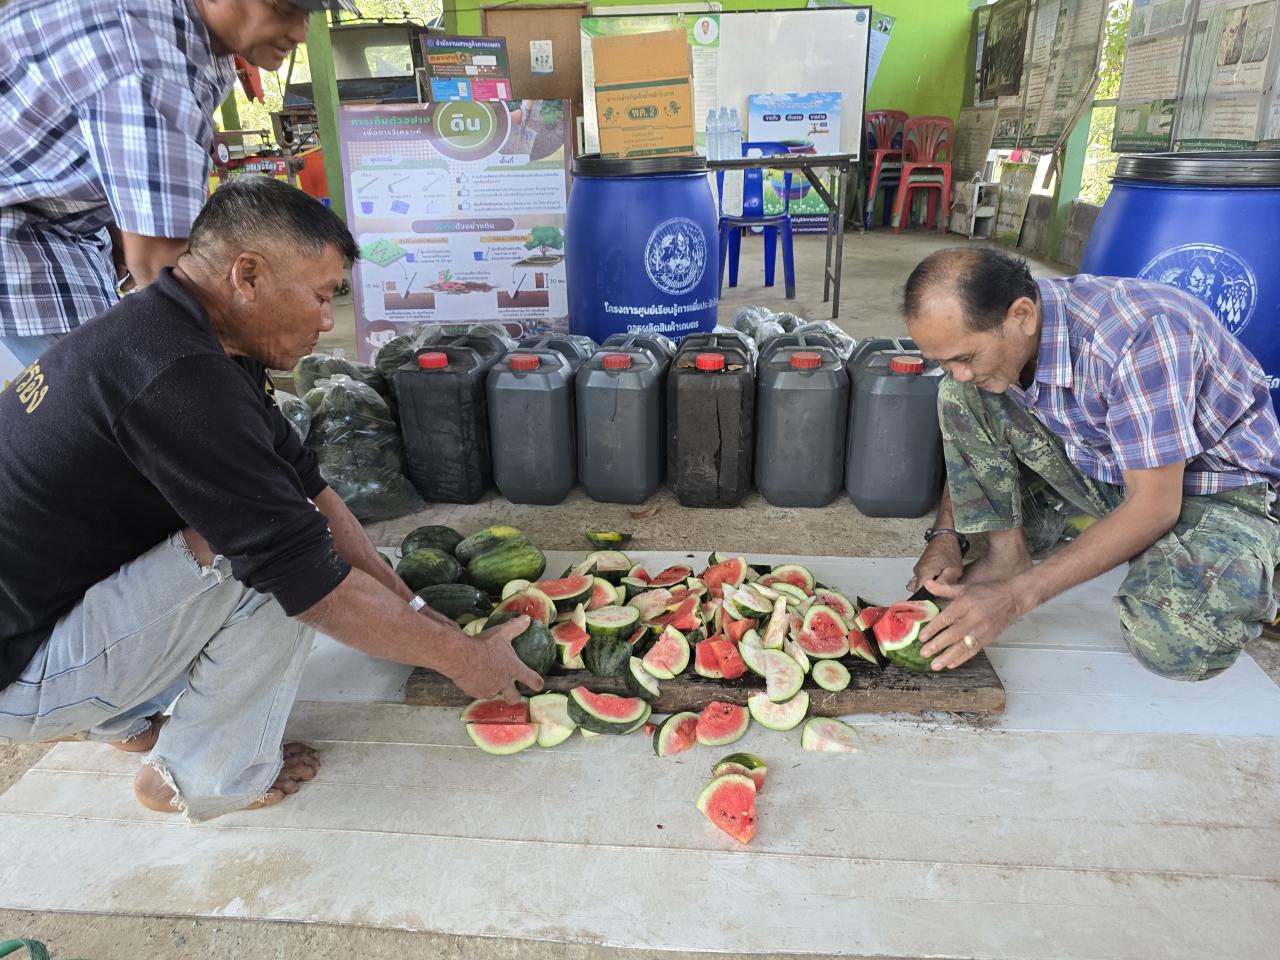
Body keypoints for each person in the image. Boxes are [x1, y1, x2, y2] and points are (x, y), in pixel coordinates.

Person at [0, 177, 540, 821]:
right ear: (248, 275)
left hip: (40, 615)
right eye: (321, 296)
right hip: (21, 670)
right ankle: (205, 776)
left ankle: (126, 718)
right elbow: (316, 587)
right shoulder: (180, 380)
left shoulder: (185, 330)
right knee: (270, 562)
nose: (326, 321)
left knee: (275, 518)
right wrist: (467, 661)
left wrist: (418, 609)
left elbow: (310, 486)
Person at [902, 247, 1280, 681]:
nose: (958, 372)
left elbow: (1156, 506)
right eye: (943, 361)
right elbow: (968, 403)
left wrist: (1015, 598)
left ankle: (1256, 561)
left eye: (966, 358)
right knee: (961, 396)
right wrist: (946, 534)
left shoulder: (1142, 336)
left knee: (1174, 643)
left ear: (1022, 315)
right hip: (1107, 466)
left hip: (1217, 491)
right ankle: (1009, 557)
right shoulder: (1011, 331)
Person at [0, 0, 359, 369]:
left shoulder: (195, 40)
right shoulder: (147, 64)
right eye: (283, 7)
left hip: (70, 229)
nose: (300, 32)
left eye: (308, 13)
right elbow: (162, 269)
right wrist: (244, 357)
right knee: (110, 382)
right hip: (22, 244)